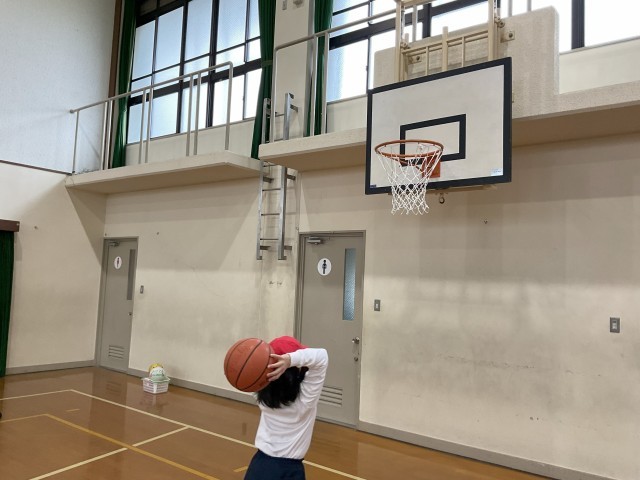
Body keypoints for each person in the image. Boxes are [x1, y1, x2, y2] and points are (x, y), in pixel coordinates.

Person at [244, 336, 328, 480]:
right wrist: (290, 359)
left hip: (259, 466)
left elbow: (253, 369)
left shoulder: (261, 395)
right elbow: (321, 357)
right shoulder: (305, 400)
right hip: (289, 471)